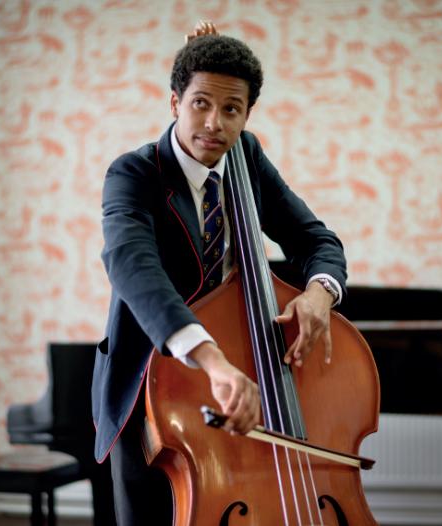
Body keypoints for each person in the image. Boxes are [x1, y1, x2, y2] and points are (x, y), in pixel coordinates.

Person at [91, 21, 347, 526]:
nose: (213, 123)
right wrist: (211, 359)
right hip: (155, 381)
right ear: (175, 104)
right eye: (200, 103)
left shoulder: (247, 157)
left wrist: (320, 293)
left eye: (231, 109)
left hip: (244, 365)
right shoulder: (134, 173)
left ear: (247, 114)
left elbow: (316, 240)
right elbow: (132, 266)